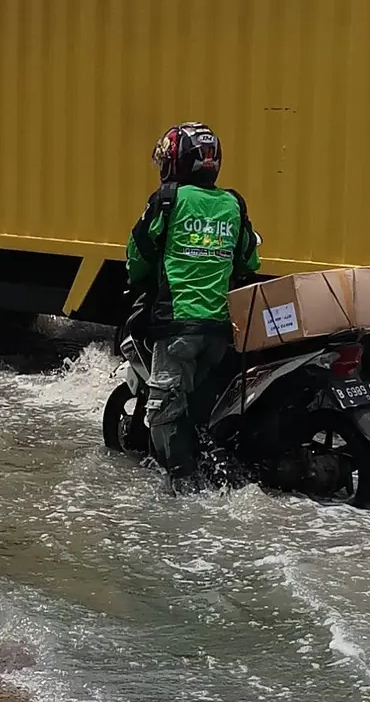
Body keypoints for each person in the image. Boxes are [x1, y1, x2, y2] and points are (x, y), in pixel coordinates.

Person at [126, 122, 261, 493]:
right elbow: (249, 260)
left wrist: (141, 276)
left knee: (163, 412)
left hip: (176, 327)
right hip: (219, 331)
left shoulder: (167, 199)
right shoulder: (234, 203)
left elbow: (137, 254)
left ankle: (181, 492)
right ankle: (210, 476)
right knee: (198, 409)